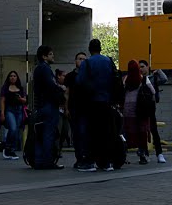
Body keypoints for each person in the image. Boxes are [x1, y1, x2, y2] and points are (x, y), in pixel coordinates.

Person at [74, 38, 117, 172]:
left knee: (91, 132)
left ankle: (89, 162)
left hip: (92, 102)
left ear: (89, 49)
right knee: (106, 132)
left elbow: (79, 81)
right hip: (107, 102)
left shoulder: (87, 63)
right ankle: (106, 162)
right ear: (100, 48)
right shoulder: (109, 61)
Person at [31, 45, 66, 169]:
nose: (53, 56)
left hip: (41, 105)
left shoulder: (37, 69)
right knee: (48, 133)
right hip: (49, 105)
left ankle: (39, 160)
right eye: (50, 54)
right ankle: (48, 161)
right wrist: (61, 89)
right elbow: (51, 86)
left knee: (40, 133)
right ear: (44, 56)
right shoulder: (45, 69)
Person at [120, 59, 154, 165]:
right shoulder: (143, 79)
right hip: (141, 110)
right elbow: (152, 92)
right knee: (142, 132)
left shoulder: (125, 79)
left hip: (127, 110)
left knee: (128, 132)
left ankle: (123, 155)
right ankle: (142, 154)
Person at [138, 60, 168, 163]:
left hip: (150, 108)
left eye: (142, 66)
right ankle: (145, 153)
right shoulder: (138, 79)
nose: (141, 69)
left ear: (147, 67)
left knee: (154, 131)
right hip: (140, 109)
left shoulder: (153, 78)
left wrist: (159, 71)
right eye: (139, 67)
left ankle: (159, 154)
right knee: (142, 132)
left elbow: (164, 79)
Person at [63, 52, 88, 168]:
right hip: (74, 109)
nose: (81, 61)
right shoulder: (70, 76)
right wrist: (66, 108)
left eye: (84, 59)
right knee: (77, 134)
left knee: (84, 133)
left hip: (86, 109)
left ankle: (85, 157)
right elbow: (66, 94)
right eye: (79, 59)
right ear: (75, 61)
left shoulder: (89, 75)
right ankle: (79, 158)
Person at [0, 70, 26, 160]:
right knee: (13, 129)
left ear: (17, 77)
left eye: (14, 76)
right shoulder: (5, 88)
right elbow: (2, 100)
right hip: (10, 110)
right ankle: (7, 148)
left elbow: (25, 100)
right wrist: (2, 113)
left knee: (16, 131)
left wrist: (21, 99)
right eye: (11, 76)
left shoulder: (20, 88)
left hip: (19, 110)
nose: (13, 77)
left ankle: (12, 150)